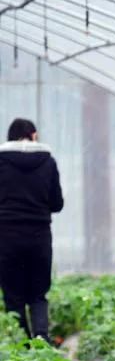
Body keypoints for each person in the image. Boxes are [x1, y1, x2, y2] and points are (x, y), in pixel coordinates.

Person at [0, 118, 64, 343]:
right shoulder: (48, 162)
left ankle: (21, 346)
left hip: (6, 238)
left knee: (13, 296)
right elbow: (57, 204)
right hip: (39, 237)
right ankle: (41, 338)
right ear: (33, 135)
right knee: (38, 294)